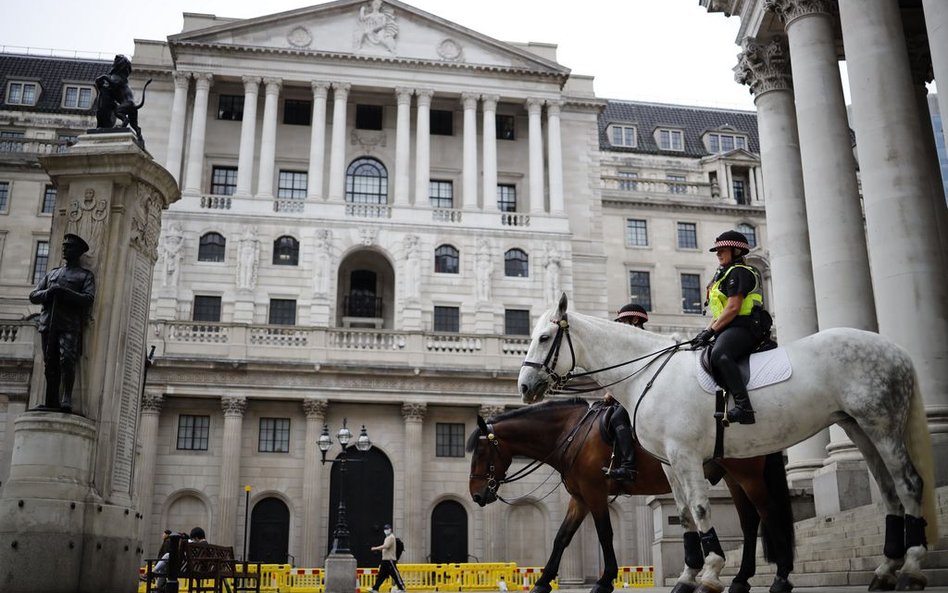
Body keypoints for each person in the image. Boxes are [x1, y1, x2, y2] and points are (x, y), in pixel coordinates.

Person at [692, 230, 765, 425]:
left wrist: (712, 332)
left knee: (720, 354)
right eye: (717, 250)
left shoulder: (739, 272)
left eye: (722, 249)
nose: (718, 253)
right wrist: (705, 333)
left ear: (736, 251)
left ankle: (744, 407)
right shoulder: (724, 275)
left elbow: (733, 308)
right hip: (730, 327)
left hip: (746, 327)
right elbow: (720, 313)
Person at [28, 233, 96, 413]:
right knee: (50, 363)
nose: (65, 249)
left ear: (79, 252)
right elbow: (34, 295)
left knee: (67, 360)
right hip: (48, 324)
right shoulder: (52, 273)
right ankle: (51, 399)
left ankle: (66, 397)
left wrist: (65, 293)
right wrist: (49, 293)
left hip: (69, 324)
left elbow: (88, 298)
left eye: (70, 247)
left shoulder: (84, 275)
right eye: (64, 246)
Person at [600, 302, 649, 483]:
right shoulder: (630, 342)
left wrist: (612, 392)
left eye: (623, 321)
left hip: (643, 392)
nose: (619, 325)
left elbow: (634, 370)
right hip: (631, 392)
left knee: (617, 418)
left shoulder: (641, 340)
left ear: (635, 320)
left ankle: (629, 467)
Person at [369, 523, 405, 593]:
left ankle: (402, 588)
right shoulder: (387, 537)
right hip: (385, 560)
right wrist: (381, 549)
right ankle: (375, 588)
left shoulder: (391, 537)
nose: (386, 530)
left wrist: (375, 548)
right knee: (381, 576)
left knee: (395, 574)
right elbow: (385, 547)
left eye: (387, 529)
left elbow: (386, 546)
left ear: (390, 529)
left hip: (390, 560)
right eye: (385, 529)